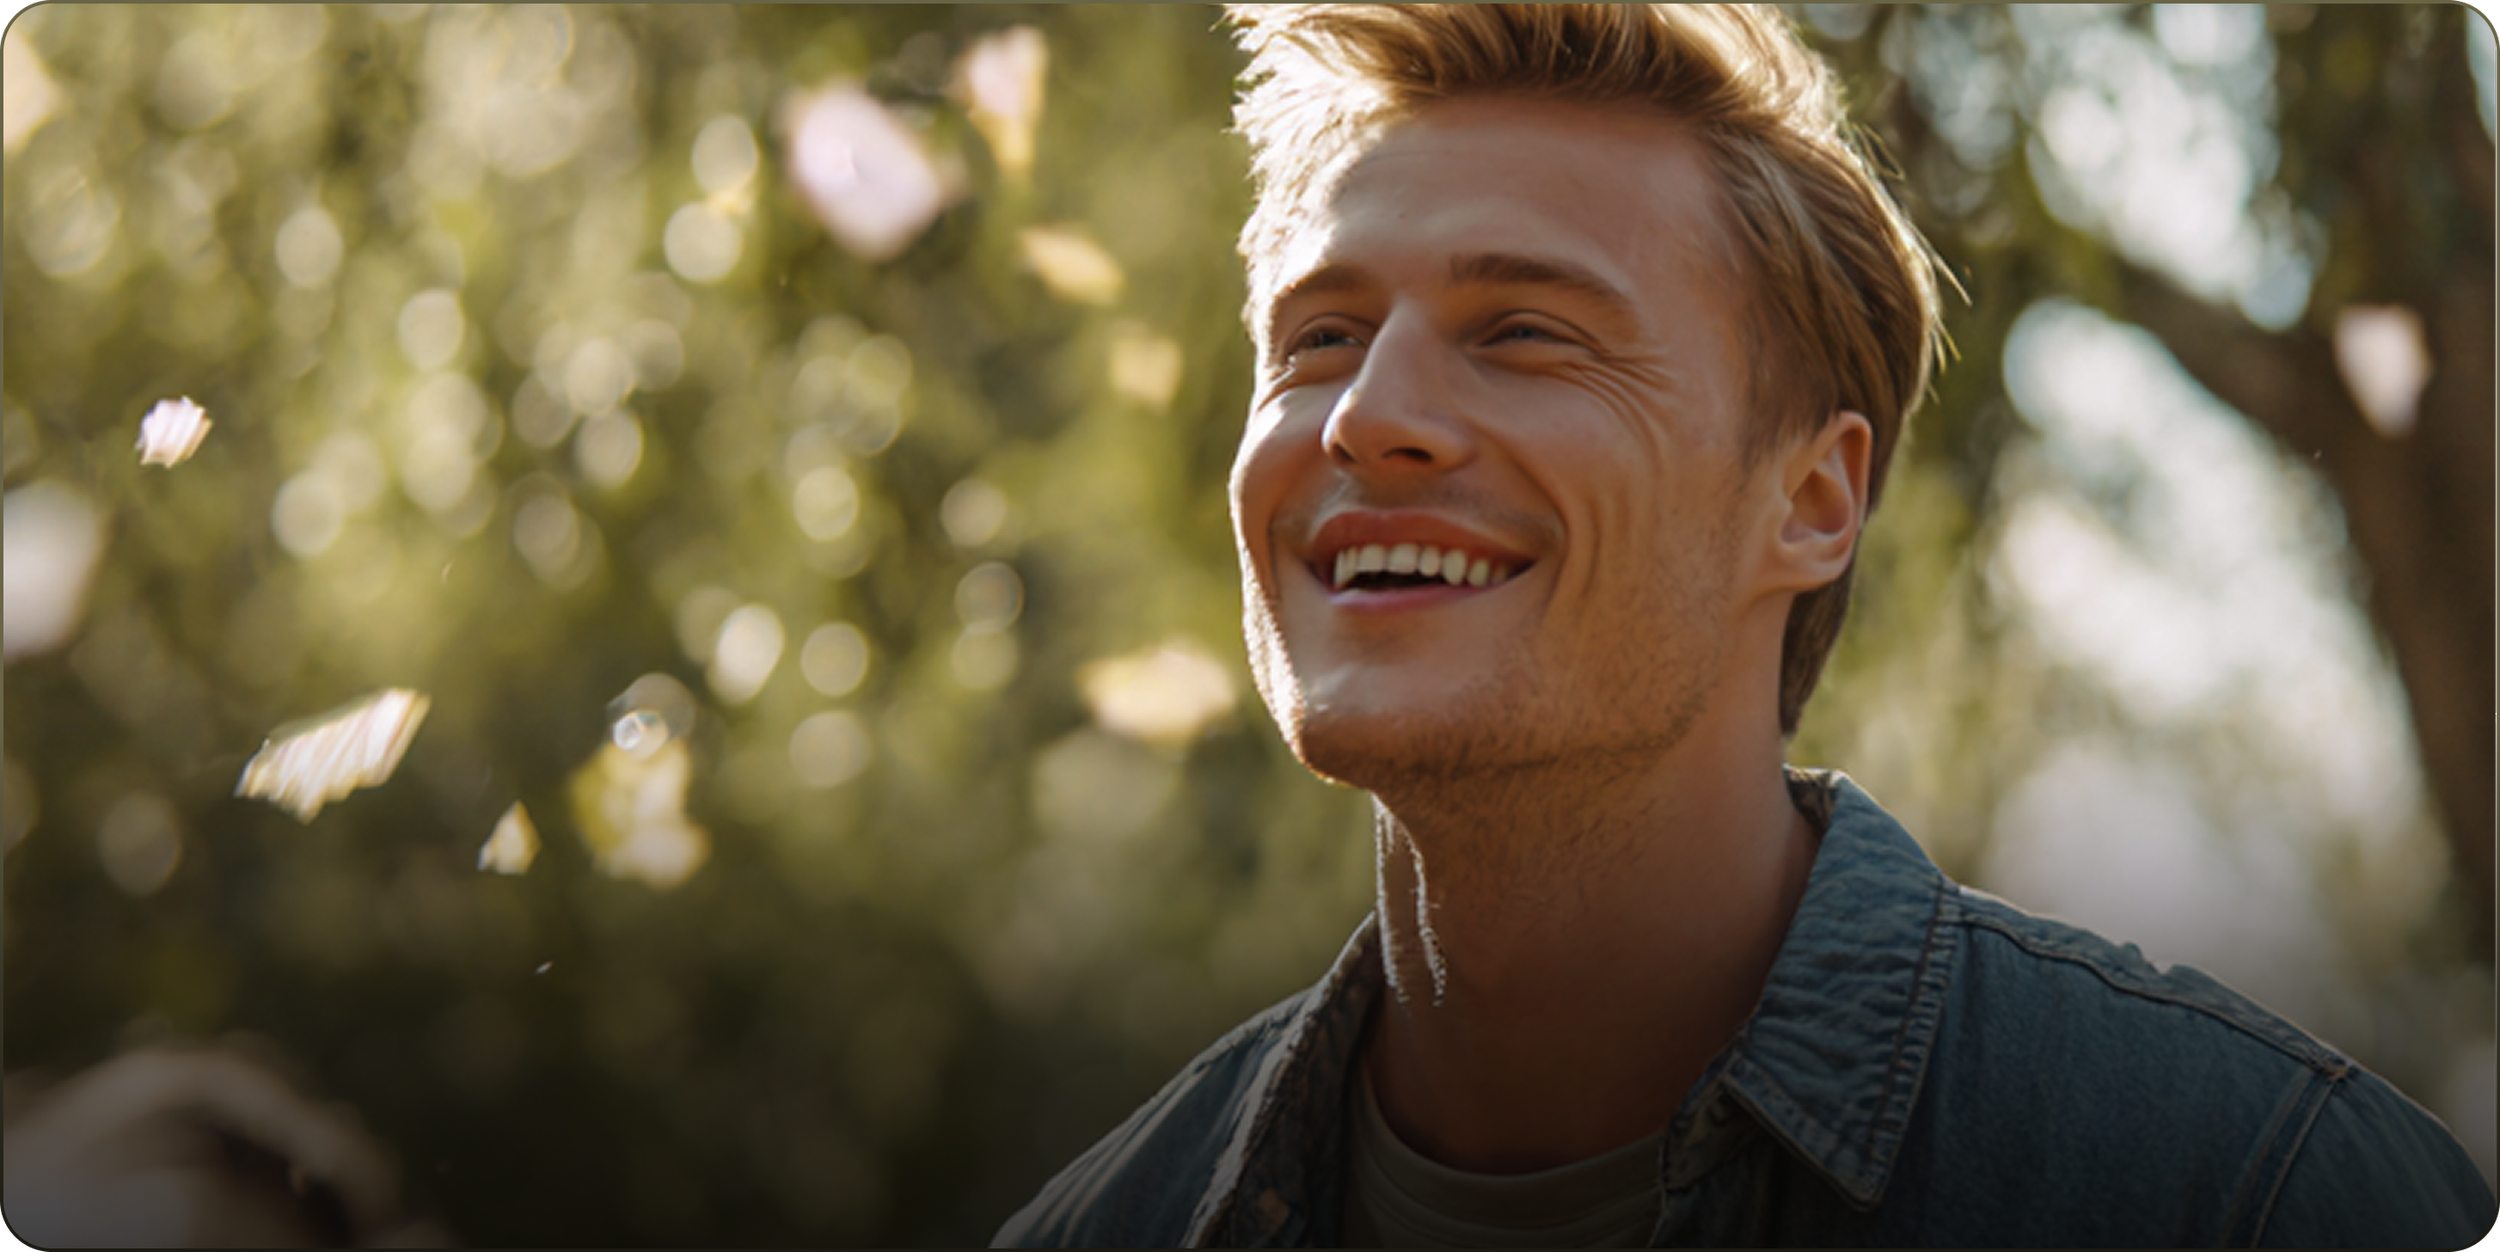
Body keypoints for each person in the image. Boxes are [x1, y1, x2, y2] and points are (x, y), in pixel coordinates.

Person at [993, 5, 2495, 1247]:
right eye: (1319, 339)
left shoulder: (2254, 1196)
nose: (1370, 417)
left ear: (1813, 500)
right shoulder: (1098, 1226)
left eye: (1525, 332)